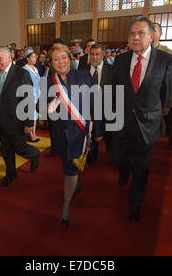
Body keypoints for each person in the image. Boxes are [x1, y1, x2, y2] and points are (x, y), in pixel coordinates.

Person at [111, 16, 172, 223]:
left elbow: (166, 93)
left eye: (141, 33)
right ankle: (124, 169)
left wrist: (151, 110)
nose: (135, 37)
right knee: (118, 157)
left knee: (142, 166)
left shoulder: (165, 61)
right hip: (121, 120)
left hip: (147, 122)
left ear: (152, 36)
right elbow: (114, 90)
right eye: (132, 34)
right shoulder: (120, 61)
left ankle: (135, 203)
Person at [45, 43, 103, 226]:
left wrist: (99, 131)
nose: (61, 62)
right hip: (60, 134)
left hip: (80, 133)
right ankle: (76, 184)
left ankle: (65, 207)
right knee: (69, 166)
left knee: (70, 170)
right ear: (51, 63)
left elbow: (96, 103)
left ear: (69, 58)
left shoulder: (84, 76)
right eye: (56, 59)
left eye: (63, 57)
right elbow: (46, 110)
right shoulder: (49, 81)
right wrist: (49, 110)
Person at [0, 46, 40, 187]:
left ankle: (35, 154)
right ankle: (11, 174)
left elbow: (28, 100)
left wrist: (29, 123)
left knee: (20, 148)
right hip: (1, 122)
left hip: (18, 121)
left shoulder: (21, 73)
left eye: (0, 59)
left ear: (10, 57)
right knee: (6, 151)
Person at [79, 42, 113, 161]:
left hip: (106, 109)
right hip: (88, 108)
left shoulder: (111, 70)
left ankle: (111, 154)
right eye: (92, 54)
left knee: (108, 137)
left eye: (97, 54)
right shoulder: (83, 69)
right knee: (91, 135)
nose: (94, 57)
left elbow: (115, 89)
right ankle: (92, 155)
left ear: (103, 54)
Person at [22, 50, 41, 143]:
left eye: (35, 57)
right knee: (31, 114)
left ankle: (34, 133)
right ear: (27, 58)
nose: (35, 59)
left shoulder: (35, 68)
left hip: (37, 93)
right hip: (30, 93)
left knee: (35, 115)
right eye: (33, 57)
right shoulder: (24, 69)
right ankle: (31, 135)